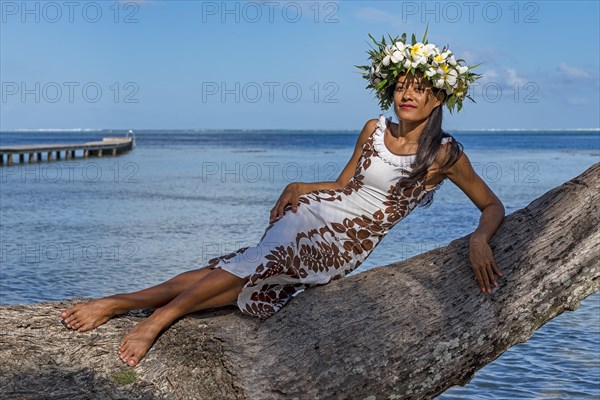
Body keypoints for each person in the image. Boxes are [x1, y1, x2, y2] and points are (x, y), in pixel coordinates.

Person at [60, 29, 505, 367]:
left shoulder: (444, 154)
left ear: (440, 96)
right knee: (250, 262)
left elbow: (492, 205)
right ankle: (138, 311)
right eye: (402, 85)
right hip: (316, 212)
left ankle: (134, 308)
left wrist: (479, 238)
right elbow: (344, 183)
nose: (408, 95)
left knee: (238, 268)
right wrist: (298, 187)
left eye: (421, 88)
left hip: (347, 241)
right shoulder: (373, 128)